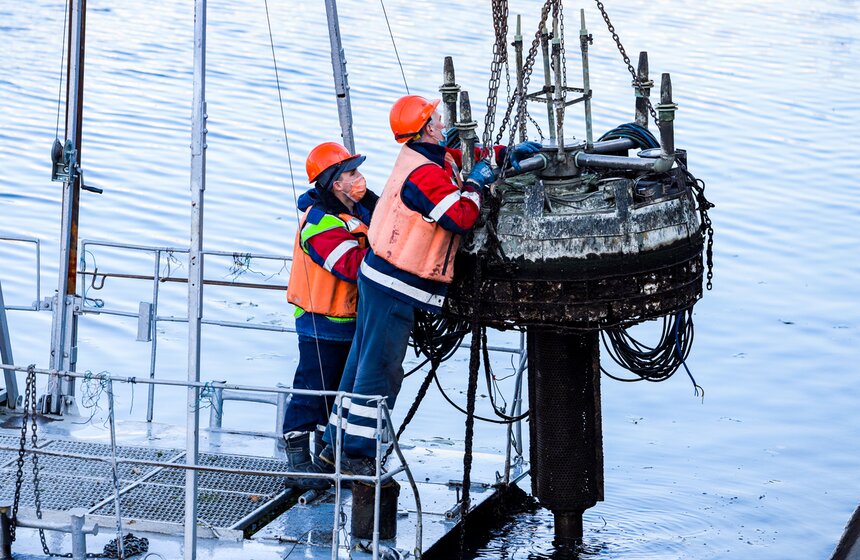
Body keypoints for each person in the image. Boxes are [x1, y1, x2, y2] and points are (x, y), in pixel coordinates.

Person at [319, 95, 541, 475]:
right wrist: (475, 185)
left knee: (361, 361)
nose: (442, 123)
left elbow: (467, 154)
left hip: (380, 277)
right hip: (394, 283)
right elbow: (460, 216)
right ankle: (356, 454)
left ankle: (333, 446)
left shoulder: (426, 158)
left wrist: (504, 155)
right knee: (380, 369)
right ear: (425, 128)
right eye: (436, 120)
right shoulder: (424, 175)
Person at [282, 141, 378, 490]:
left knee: (337, 397)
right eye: (351, 173)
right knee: (311, 391)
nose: (359, 178)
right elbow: (351, 266)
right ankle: (297, 461)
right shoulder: (319, 223)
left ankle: (326, 459)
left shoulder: (357, 212)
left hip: (348, 322)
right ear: (335, 183)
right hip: (321, 324)